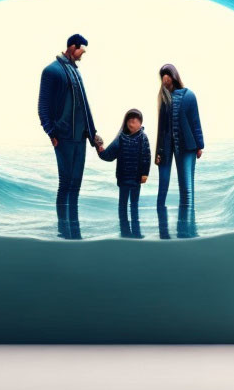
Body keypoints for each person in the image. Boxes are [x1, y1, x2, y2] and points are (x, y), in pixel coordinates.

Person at [37, 34, 102, 239]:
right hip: (63, 138)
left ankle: (75, 229)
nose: (83, 54)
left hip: (80, 138)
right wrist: (51, 133)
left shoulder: (75, 72)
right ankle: (63, 231)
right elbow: (43, 107)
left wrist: (93, 134)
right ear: (73, 47)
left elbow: (85, 106)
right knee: (65, 184)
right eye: (82, 50)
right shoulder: (51, 71)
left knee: (76, 185)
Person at [154, 63, 204, 212]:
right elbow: (161, 129)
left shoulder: (189, 95)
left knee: (187, 190)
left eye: (168, 74)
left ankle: (188, 230)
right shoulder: (163, 99)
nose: (165, 78)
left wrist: (200, 145)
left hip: (188, 146)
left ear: (174, 76)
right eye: (163, 75)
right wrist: (158, 152)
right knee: (164, 185)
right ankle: (164, 226)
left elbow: (195, 122)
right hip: (167, 148)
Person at [97, 108, 151, 238]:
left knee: (134, 205)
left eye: (135, 121)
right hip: (123, 178)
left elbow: (146, 156)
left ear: (140, 123)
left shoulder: (143, 137)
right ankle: (124, 232)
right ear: (125, 123)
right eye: (129, 120)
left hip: (137, 178)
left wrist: (145, 174)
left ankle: (136, 232)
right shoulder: (121, 138)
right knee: (122, 205)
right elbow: (109, 154)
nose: (132, 123)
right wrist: (100, 149)